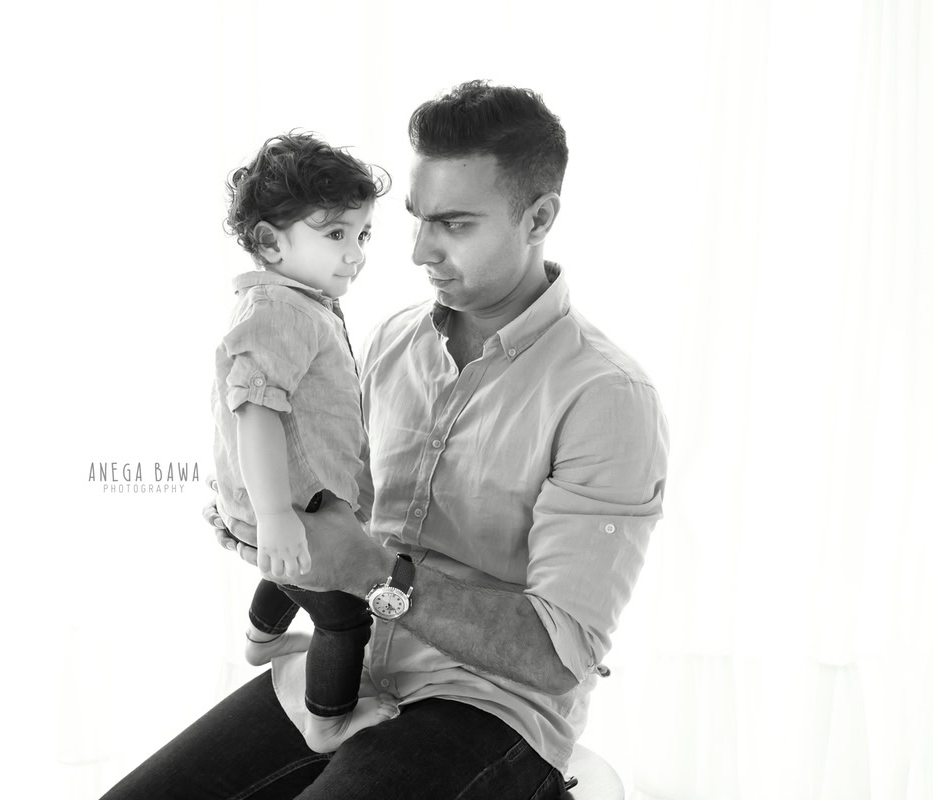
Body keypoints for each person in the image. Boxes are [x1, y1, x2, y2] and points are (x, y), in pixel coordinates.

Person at [101, 80, 669, 800]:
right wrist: (263, 512)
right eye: (415, 218)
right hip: (348, 672)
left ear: (539, 217)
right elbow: (326, 484)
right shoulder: (390, 340)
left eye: (455, 225)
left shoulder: (606, 398)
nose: (418, 250)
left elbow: (560, 654)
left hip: (486, 708)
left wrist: (376, 575)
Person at [209, 133, 395, 752]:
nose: (356, 253)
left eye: (362, 234)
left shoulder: (299, 303)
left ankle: (262, 640)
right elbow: (254, 410)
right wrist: (274, 514)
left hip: (286, 504)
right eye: (336, 234)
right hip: (287, 506)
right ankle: (328, 722)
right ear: (269, 242)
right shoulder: (280, 309)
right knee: (343, 612)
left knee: (289, 570)